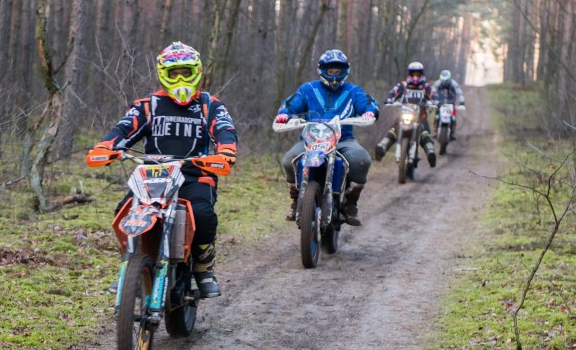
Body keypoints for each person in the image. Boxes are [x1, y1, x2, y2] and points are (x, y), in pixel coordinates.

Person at [93, 41, 238, 298]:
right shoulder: (149, 105)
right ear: (163, 74)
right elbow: (124, 128)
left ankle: (203, 268)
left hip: (196, 173)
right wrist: (106, 146)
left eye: (185, 71)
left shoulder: (210, 105)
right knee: (124, 211)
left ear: (197, 72)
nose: (180, 78)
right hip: (153, 175)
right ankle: (131, 264)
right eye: (174, 73)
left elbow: (225, 129)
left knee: (202, 214)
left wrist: (226, 150)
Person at [274, 49, 379, 226]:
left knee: (362, 160)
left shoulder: (353, 91)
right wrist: (284, 114)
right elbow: (291, 103)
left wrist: (369, 112)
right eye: (330, 71)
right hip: (311, 141)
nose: (334, 76)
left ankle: (350, 203)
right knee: (289, 160)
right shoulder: (308, 89)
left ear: (345, 71)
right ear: (322, 70)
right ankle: (295, 201)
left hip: (343, 140)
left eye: (338, 71)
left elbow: (368, 103)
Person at [375, 61, 440, 167]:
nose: (415, 77)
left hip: (420, 115)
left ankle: (430, 152)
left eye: (418, 74)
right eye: (413, 74)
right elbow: (393, 92)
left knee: (424, 133)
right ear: (409, 74)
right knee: (393, 129)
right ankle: (382, 147)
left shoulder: (426, 87)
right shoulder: (403, 85)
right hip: (404, 114)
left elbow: (434, 94)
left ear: (422, 74)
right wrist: (389, 100)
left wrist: (436, 102)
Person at [433, 69, 465, 140]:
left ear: (450, 79)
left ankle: (452, 131)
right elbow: (432, 91)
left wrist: (462, 102)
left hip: (451, 103)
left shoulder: (454, 84)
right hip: (440, 103)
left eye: (446, 81)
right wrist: (431, 100)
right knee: (437, 115)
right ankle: (435, 128)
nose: (445, 82)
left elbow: (459, 92)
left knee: (453, 117)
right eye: (443, 80)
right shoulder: (437, 83)